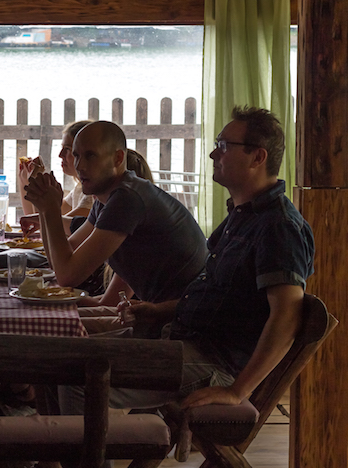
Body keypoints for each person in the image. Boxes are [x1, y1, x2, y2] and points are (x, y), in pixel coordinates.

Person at [60, 106, 315, 413]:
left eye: (224, 146)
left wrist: (237, 391)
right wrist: (158, 310)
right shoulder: (242, 215)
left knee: (76, 378)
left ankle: (98, 445)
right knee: (60, 358)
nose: (213, 154)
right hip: (180, 338)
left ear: (257, 157)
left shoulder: (279, 226)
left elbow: (287, 316)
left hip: (213, 361)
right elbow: (220, 298)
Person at [25, 121, 207, 332]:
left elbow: (67, 276)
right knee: (39, 319)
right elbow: (63, 256)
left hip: (182, 324)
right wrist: (44, 208)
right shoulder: (106, 199)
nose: (80, 165)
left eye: (90, 155)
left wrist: (50, 210)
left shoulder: (127, 198)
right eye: (76, 156)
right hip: (155, 316)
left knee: (42, 329)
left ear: (118, 158)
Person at [19, 120, 94, 237]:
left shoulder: (91, 196)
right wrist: (25, 180)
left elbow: (50, 229)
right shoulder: (79, 189)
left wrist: (36, 180)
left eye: (67, 149)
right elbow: (33, 219)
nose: (60, 154)